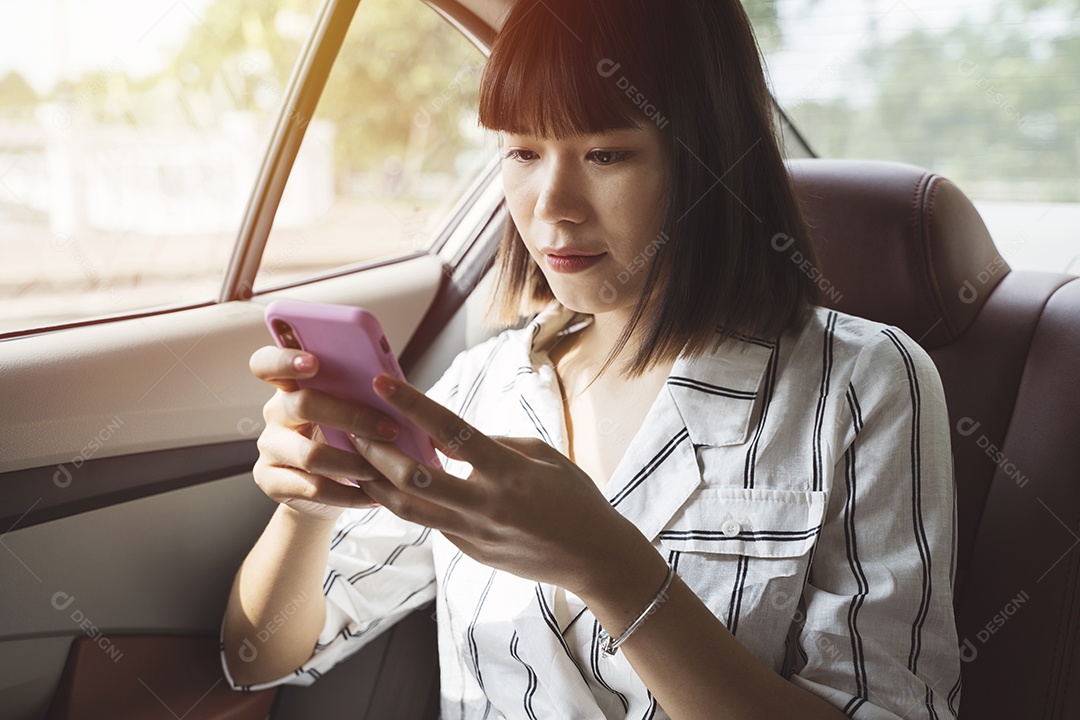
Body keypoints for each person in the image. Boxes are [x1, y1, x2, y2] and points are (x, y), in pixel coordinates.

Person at [221, 0, 962, 717]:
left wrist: (612, 569)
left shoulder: (861, 385)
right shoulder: (481, 387)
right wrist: (305, 511)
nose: (552, 206)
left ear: (711, 163)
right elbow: (259, 656)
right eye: (521, 151)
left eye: (606, 153)